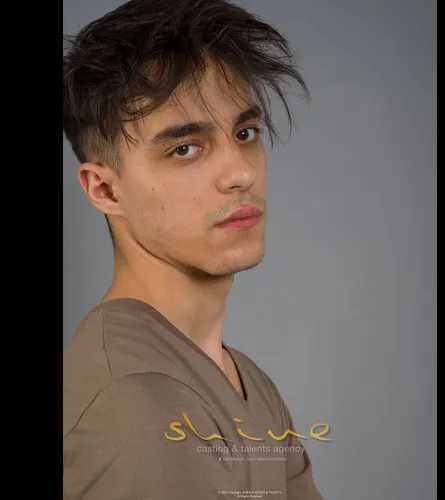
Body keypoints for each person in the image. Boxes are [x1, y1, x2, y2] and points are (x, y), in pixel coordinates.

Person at [63, 0, 323, 498]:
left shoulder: (248, 383)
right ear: (106, 189)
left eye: (245, 133)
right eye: (184, 149)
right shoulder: (135, 400)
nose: (241, 172)